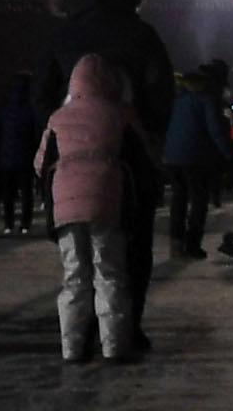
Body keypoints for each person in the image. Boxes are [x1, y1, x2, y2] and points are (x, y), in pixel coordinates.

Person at [44, 0, 174, 342]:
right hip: (130, 158)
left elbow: (42, 95)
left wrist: (60, 137)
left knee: (77, 255)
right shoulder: (142, 35)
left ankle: (79, 330)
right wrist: (145, 136)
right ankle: (124, 329)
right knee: (133, 245)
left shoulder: (62, 38)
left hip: (71, 162)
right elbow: (162, 94)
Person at [37, 53, 156, 363]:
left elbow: (41, 164)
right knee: (110, 273)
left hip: (66, 206)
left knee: (74, 277)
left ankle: (71, 349)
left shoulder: (58, 119)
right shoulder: (121, 115)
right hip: (108, 201)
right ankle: (114, 346)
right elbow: (141, 160)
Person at [162, 62, 232, 258]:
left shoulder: (178, 99)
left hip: (172, 157)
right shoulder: (207, 100)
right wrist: (229, 153)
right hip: (196, 158)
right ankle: (192, 245)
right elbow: (216, 131)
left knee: (179, 200)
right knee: (199, 201)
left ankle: (176, 245)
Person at [0, 68, 47, 233]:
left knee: (8, 194)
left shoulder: (4, 111)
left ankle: (8, 224)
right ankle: (25, 224)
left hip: (6, 158)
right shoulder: (30, 111)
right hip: (25, 157)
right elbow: (36, 134)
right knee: (26, 193)